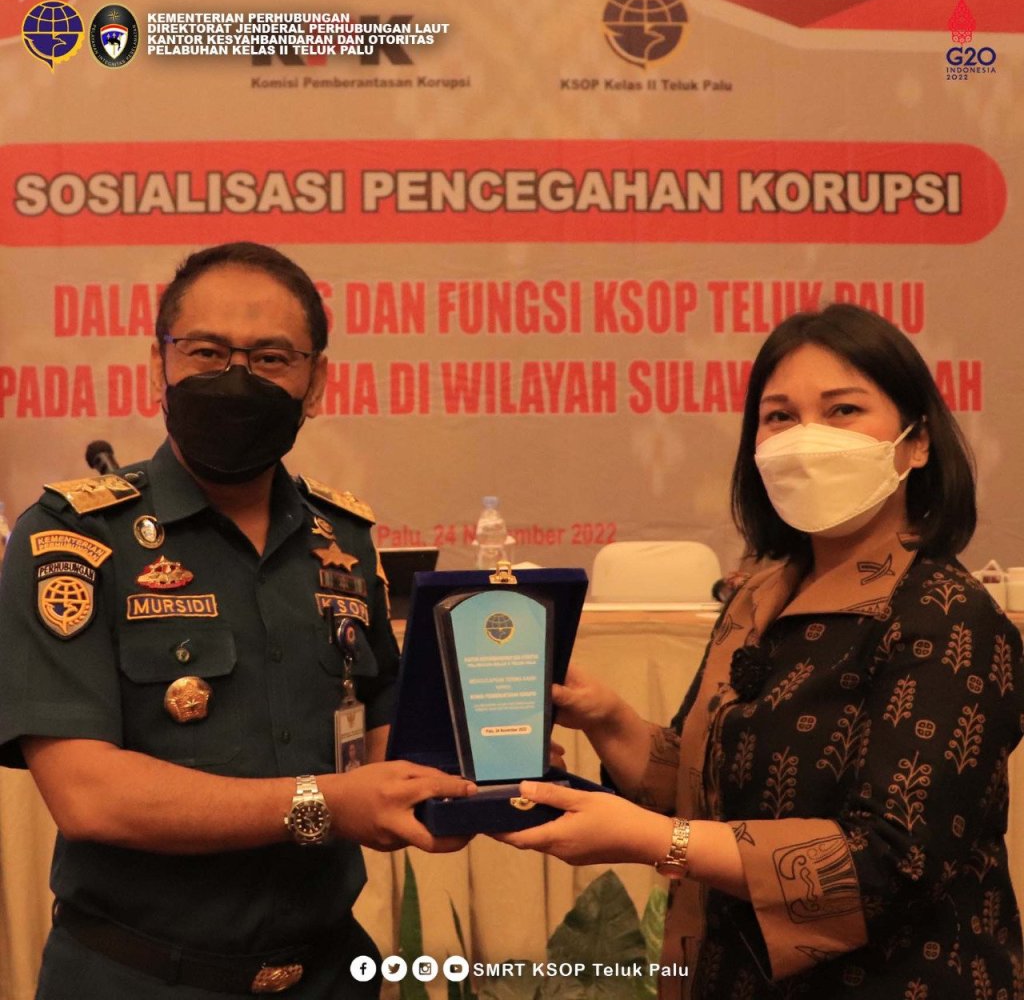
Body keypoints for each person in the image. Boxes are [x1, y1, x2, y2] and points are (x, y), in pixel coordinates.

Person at [499, 304, 1024, 998]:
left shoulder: (948, 614)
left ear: (916, 443)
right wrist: (608, 719)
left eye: (841, 411)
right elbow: (705, 786)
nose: (806, 439)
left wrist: (656, 841)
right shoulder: (760, 594)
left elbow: (890, 862)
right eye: (780, 417)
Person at [0, 242, 474, 999]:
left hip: (331, 975)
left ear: (316, 381)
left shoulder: (342, 540)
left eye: (271, 358)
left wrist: (480, 761)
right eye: (207, 352)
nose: (237, 377)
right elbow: (88, 793)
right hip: (139, 980)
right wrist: (325, 805)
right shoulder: (75, 539)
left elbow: (379, 738)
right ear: (159, 364)